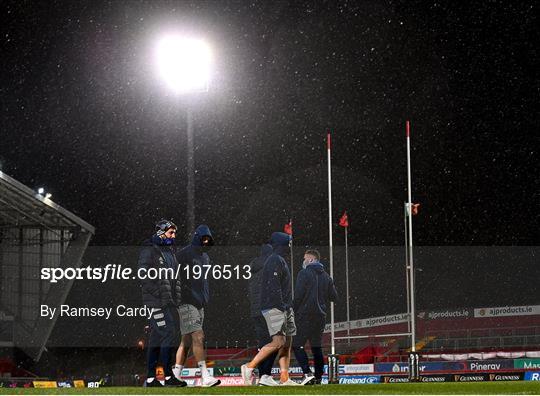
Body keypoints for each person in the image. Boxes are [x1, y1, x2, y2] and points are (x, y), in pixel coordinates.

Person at [241, 232, 299, 386]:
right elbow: (273, 287)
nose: (290, 246)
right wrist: (281, 306)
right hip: (276, 307)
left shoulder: (278, 260)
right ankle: (249, 367)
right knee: (278, 341)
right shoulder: (274, 260)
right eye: (288, 243)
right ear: (281, 244)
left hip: (284, 306)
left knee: (286, 342)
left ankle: (284, 377)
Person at [138, 220, 186, 387]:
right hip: (156, 302)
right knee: (168, 332)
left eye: (174, 233)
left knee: (156, 338)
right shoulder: (150, 249)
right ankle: (167, 376)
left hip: (168, 302)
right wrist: (158, 294)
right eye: (171, 232)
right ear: (161, 232)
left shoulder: (169, 251)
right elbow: (143, 274)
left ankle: (151, 378)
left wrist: (175, 297)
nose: (174, 236)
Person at [172, 225, 221, 387]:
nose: (205, 242)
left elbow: (204, 280)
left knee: (186, 341)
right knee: (198, 336)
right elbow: (171, 272)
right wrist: (178, 294)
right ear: (197, 237)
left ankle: (175, 375)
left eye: (208, 240)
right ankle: (205, 376)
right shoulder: (184, 254)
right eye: (203, 239)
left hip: (200, 303)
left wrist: (205, 297)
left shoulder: (206, 257)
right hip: (186, 301)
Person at [292, 249, 338, 385]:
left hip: (306, 315)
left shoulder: (304, 273)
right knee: (316, 346)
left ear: (311, 260)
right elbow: (334, 297)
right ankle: (318, 376)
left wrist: (291, 310)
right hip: (320, 317)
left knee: (297, 344)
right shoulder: (327, 276)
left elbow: (299, 295)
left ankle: (307, 373)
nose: (303, 261)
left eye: (305, 258)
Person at [248, 244, 279, 386]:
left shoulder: (254, 270)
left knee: (263, 344)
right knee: (276, 342)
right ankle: (265, 374)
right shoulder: (271, 267)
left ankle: (262, 376)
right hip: (268, 309)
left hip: (256, 311)